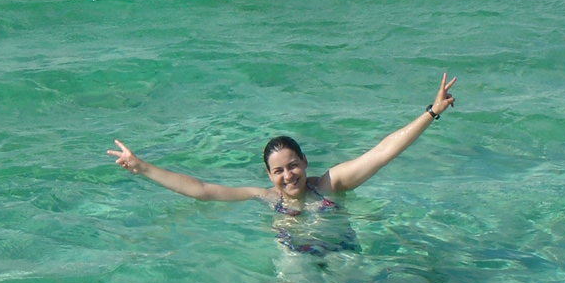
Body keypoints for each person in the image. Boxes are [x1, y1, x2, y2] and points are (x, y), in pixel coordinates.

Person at [109, 73, 456, 213]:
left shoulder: (330, 185)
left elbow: (382, 152)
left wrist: (431, 112)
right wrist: (142, 167)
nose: (287, 176)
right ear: (268, 174)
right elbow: (202, 189)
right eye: (278, 171)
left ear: (305, 161)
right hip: (296, 260)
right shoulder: (265, 196)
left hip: (342, 253)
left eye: (292, 166)